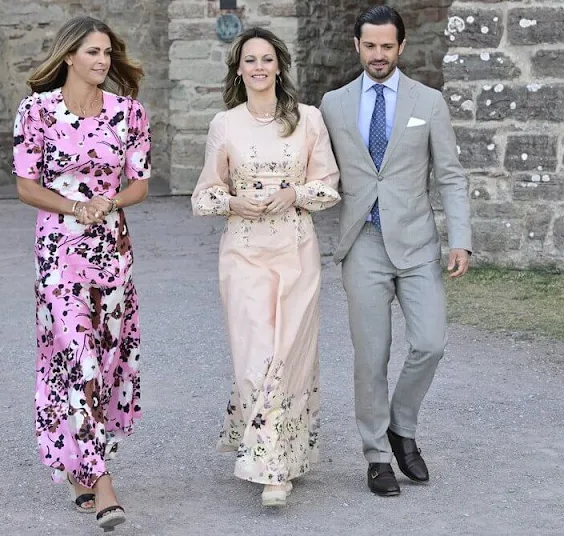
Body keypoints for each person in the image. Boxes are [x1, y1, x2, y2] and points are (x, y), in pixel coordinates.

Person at [320, 5, 472, 497]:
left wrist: (460, 240)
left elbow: (449, 175)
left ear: (401, 47)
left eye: (387, 46)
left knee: (430, 343)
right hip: (362, 241)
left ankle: (400, 426)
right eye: (370, 46)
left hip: (417, 243)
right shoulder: (333, 105)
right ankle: (378, 456)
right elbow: (317, 172)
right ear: (357, 46)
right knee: (372, 356)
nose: (379, 55)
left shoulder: (429, 102)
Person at [191, 27, 340, 507]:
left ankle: (279, 456)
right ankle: (271, 469)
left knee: (289, 351)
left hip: (296, 249)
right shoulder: (224, 124)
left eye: (267, 59)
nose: (258, 67)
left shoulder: (309, 120)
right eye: (249, 60)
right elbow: (203, 197)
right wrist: (235, 200)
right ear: (239, 69)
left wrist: (293, 194)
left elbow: (329, 186)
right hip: (243, 252)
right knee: (257, 354)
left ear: (279, 66)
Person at [12, 16, 151, 530]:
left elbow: (139, 182)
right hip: (59, 254)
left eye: (108, 54)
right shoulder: (37, 111)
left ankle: (77, 465)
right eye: (93, 52)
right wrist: (75, 208)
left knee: (106, 359)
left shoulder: (128, 112)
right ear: (69, 56)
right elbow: (26, 186)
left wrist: (108, 201)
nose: (102, 61)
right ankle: (102, 481)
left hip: (113, 252)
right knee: (76, 355)